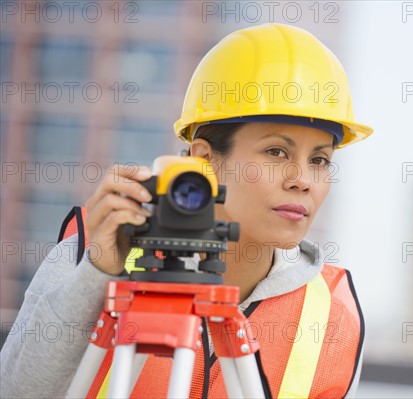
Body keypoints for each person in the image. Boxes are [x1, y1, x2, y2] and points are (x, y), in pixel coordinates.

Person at [0, 23, 373, 398]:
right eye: (276, 152)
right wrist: (96, 274)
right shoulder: (99, 248)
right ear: (205, 161)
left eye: (320, 160)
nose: (302, 180)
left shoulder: (331, 313)